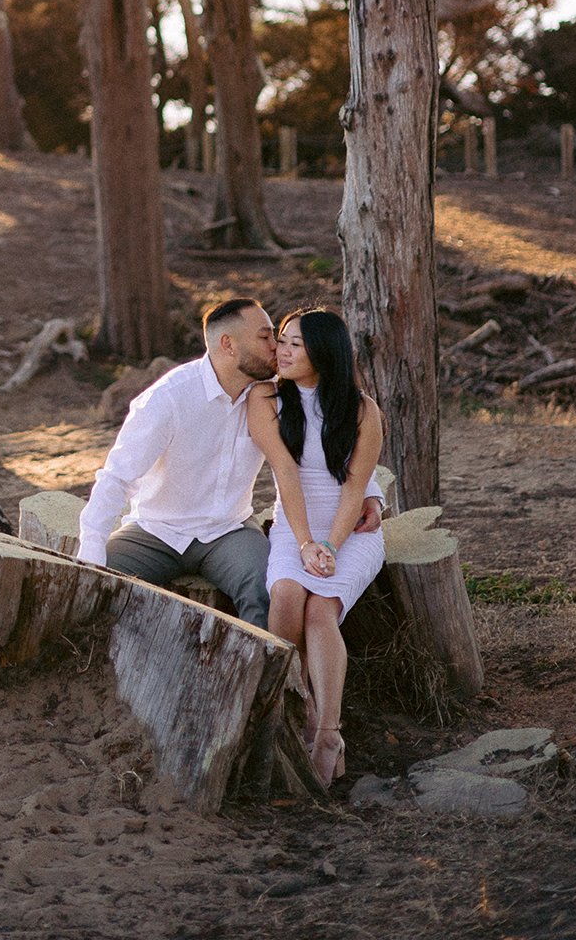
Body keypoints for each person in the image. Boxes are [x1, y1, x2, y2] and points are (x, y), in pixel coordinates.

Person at [76, 297, 382, 630]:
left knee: (266, 588)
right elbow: (116, 478)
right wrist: (91, 552)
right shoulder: (168, 399)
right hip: (156, 532)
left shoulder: (269, 397)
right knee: (90, 587)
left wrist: (370, 492)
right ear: (228, 345)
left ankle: (262, 679)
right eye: (266, 337)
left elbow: (326, 449)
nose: (277, 347)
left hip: (229, 531)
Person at [248, 307, 385, 789]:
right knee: (286, 594)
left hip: (351, 532)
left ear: (323, 353)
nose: (279, 351)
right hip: (293, 525)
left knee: (320, 609)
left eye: (293, 344)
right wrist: (306, 543)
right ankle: (297, 702)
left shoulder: (363, 409)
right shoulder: (265, 399)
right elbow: (286, 475)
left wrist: (331, 543)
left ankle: (328, 733)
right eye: (280, 341)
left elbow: (354, 487)